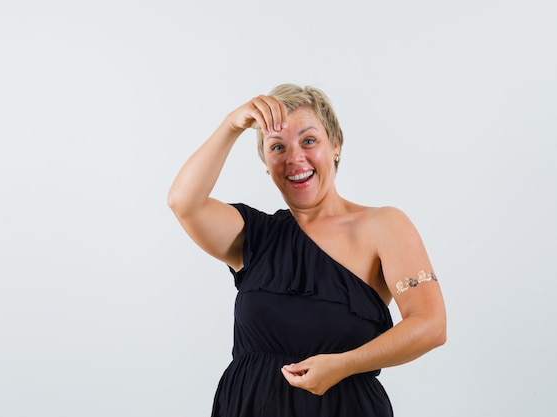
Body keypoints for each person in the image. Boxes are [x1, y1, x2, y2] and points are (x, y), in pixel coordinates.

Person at [167, 84, 446, 417]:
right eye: (277, 147)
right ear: (266, 163)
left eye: (309, 141)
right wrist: (231, 125)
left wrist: (344, 365)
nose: (294, 158)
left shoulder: (384, 226)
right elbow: (183, 202)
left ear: (336, 146)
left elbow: (431, 324)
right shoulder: (254, 236)